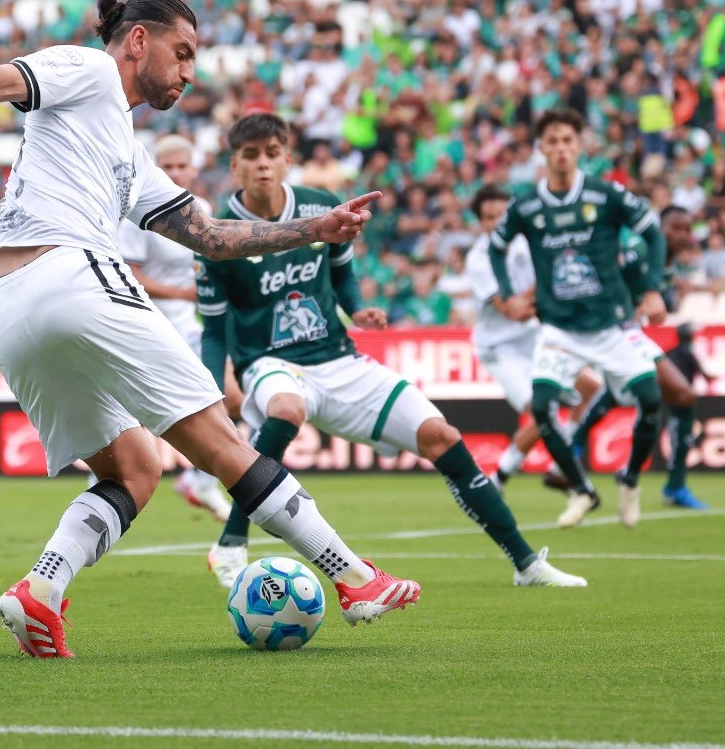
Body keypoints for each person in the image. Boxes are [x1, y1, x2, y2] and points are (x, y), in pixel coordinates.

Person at [0, 0, 421, 660]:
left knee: (135, 467)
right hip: (72, 273)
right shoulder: (89, 70)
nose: (190, 71)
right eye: (182, 52)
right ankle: (354, 576)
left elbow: (208, 235)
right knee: (219, 440)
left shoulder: (126, 150)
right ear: (138, 40)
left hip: (8, 308)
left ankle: (41, 590)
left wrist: (312, 229)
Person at [200, 115, 584, 591]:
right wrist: (213, 392)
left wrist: (357, 309)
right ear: (234, 165)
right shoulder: (217, 233)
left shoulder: (319, 206)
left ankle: (525, 564)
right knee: (286, 408)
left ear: (288, 159)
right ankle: (231, 543)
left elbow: (342, 273)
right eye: (251, 155)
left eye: (272, 153)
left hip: (338, 359)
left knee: (442, 436)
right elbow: (213, 330)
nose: (263, 164)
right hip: (269, 363)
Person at [487, 108, 667, 530]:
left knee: (652, 400)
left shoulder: (606, 195)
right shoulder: (527, 206)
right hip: (560, 330)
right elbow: (496, 247)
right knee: (543, 407)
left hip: (612, 325)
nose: (561, 149)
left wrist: (653, 288)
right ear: (541, 148)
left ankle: (630, 479)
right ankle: (583, 489)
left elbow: (653, 232)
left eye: (568, 140)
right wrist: (507, 296)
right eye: (552, 142)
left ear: (580, 146)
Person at [556, 206, 710, 510]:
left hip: (627, 328)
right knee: (681, 394)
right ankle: (670, 486)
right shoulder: (639, 251)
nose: (682, 235)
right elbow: (601, 279)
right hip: (611, 328)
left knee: (640, 391)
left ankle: (574, 447)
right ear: (658, 228)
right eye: (675, 228)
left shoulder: (667, 264)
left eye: (686, 229)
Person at [115, 135, 233, 522]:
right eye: (169, 167)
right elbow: (130, 275)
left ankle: (199, 481)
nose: (177, 173)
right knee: (135, 418)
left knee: (232, 395)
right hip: (147, 322)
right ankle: (107, 486)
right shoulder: (138, 213)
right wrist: (185, 294)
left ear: (194, 169)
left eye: (183, 165)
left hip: (189, 325)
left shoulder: (203, 210)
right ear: (156, 169)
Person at [465, 185, 602, 489]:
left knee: (592, 389)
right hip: (500, 348)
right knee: (542, 411)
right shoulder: (479, 259)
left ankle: (558, 466)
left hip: (534, 336)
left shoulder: (527, 243)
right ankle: (499, 479)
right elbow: (513, 311)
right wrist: (548, 282)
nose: (497, 224)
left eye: (502, 216)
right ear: (480, 222)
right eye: (489, 218)